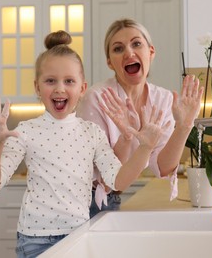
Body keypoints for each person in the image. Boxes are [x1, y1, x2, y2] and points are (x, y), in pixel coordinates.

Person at [0, 30, 169, 258]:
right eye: (50, 81)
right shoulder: (25, 131)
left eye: (69, 81)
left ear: (82, 89)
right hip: (35, 241)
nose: (59, 88)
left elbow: (117, 180)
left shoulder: (92, 133)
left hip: (79, 235)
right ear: (37, 87)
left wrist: (144, 148)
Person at [76, 18, 203, 218]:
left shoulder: (163, 100)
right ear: (110, 61)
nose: (128, 52)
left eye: (136, 44)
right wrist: (128, 137)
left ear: (150, 52)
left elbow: (162, 167)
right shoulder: (97, 98)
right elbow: (110, 178)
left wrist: (184, 126)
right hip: (84, 199)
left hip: (112, 196)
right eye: (118, 49)